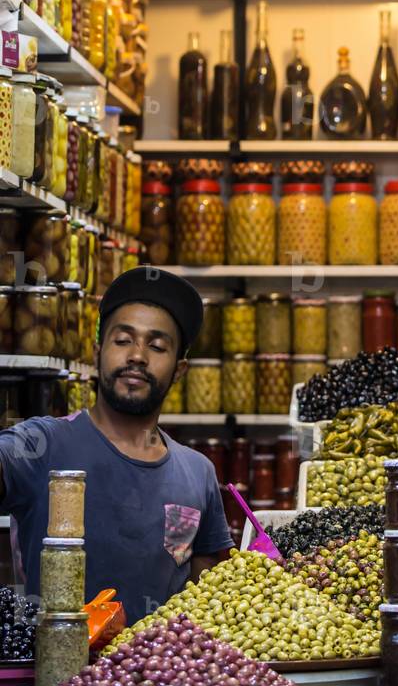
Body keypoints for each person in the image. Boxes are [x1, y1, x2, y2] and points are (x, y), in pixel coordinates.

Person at [0, 267, 233, 624]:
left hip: (161, 676)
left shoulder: (197, 471)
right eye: (123, 340)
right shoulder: (41, 445)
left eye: (157, 346)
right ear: (97, 353)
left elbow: (214, 597)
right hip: (60, 673)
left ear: (179, 369)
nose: (138, 355)